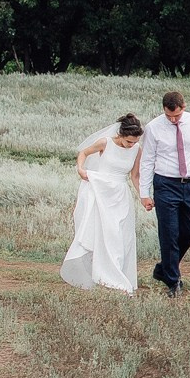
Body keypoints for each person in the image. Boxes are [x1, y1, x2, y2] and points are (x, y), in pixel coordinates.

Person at [135, 89, 190, 296]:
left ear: (184, 107)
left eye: (177, 115)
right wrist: (144, 193)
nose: (173, 119)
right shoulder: (154, 128)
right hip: (165, 184)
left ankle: (163, 269)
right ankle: (173, 282)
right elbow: (147, 161)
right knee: (169, 234)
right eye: (169, 115)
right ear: (163, 110)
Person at [59, 114, 146, 293]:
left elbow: (135, 176)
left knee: (121, 236)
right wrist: (81, 169)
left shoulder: (137, 149)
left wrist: (144, 196)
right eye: (128, 141)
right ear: (120, 135)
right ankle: (105, 276)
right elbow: (83, 153)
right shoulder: (105, 143)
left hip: (120, 195)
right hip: (101, 191)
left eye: (134, 142)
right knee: (105, 234)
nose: (131, 145)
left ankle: (117, 275)